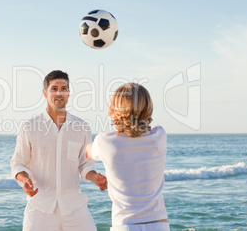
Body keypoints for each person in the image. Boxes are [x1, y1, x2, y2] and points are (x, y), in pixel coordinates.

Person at [11, 70, 107, 231]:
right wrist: (24, 180)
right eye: (54, 89)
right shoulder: (29, 127)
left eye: (64, 88)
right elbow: (18, 163)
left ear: (69, 93)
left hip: (74, 208)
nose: (59, 93)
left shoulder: (81, 127)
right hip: (40, 208)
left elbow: (85, 166)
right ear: (45, 93)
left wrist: (95, 177)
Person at [86, 83, 170, 231]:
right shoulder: (159, 136)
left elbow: (88, 153)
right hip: (158, 223)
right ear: (148, 108)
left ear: (114, 110)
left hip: (125, 225)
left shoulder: (105, 141)